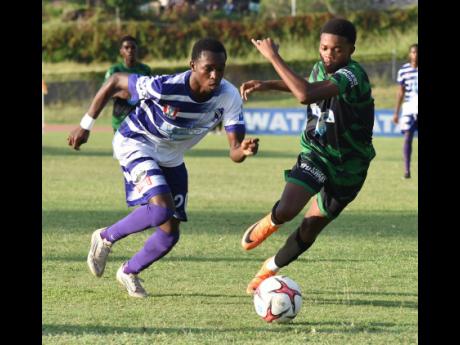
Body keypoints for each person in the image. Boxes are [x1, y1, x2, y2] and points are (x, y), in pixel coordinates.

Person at [67, 38, 259, 298]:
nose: (215, 75)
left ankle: (129, 271)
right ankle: (104, 237)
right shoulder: (164, 86)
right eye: (208, 68)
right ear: (193, 65)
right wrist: (85, 125)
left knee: (170, 233)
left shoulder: (228, 96)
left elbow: (234, 150)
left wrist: (243, 150)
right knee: (161, 209)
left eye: (221, 69)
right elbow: (115, 82)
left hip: (172, 155)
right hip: (136, 142)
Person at [239, 18, 376, 294]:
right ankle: (273, 220)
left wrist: (273, 56)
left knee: (309, 229)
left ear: (351, 49)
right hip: (316, 152)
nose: (329, 54)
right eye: (324, 47)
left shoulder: (353, 75)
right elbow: (303, 85)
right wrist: (267, 84)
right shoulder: (319, 68)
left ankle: (269, 268)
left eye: (337, 49)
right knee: (288, 208)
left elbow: (305, 94)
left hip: (349, 168)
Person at [104, 35, 152, 133]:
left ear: (137, 50)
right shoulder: (114, 70)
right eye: (126, 48)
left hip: (140, 117)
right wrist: (120, 93)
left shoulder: (145, 70)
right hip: (120, 118)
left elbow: (151, 91)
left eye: (133, 47)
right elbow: (104, 91)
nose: (130, 50)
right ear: (121, 51)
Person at [392, 44, 418, 179]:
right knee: (408, 137)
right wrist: (396, 112)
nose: (416, 55)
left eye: (417, 52)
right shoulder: (403, 71)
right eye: (413, 52)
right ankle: (407, 170)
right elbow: (401, 92)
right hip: (409, 108)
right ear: (410, 54)